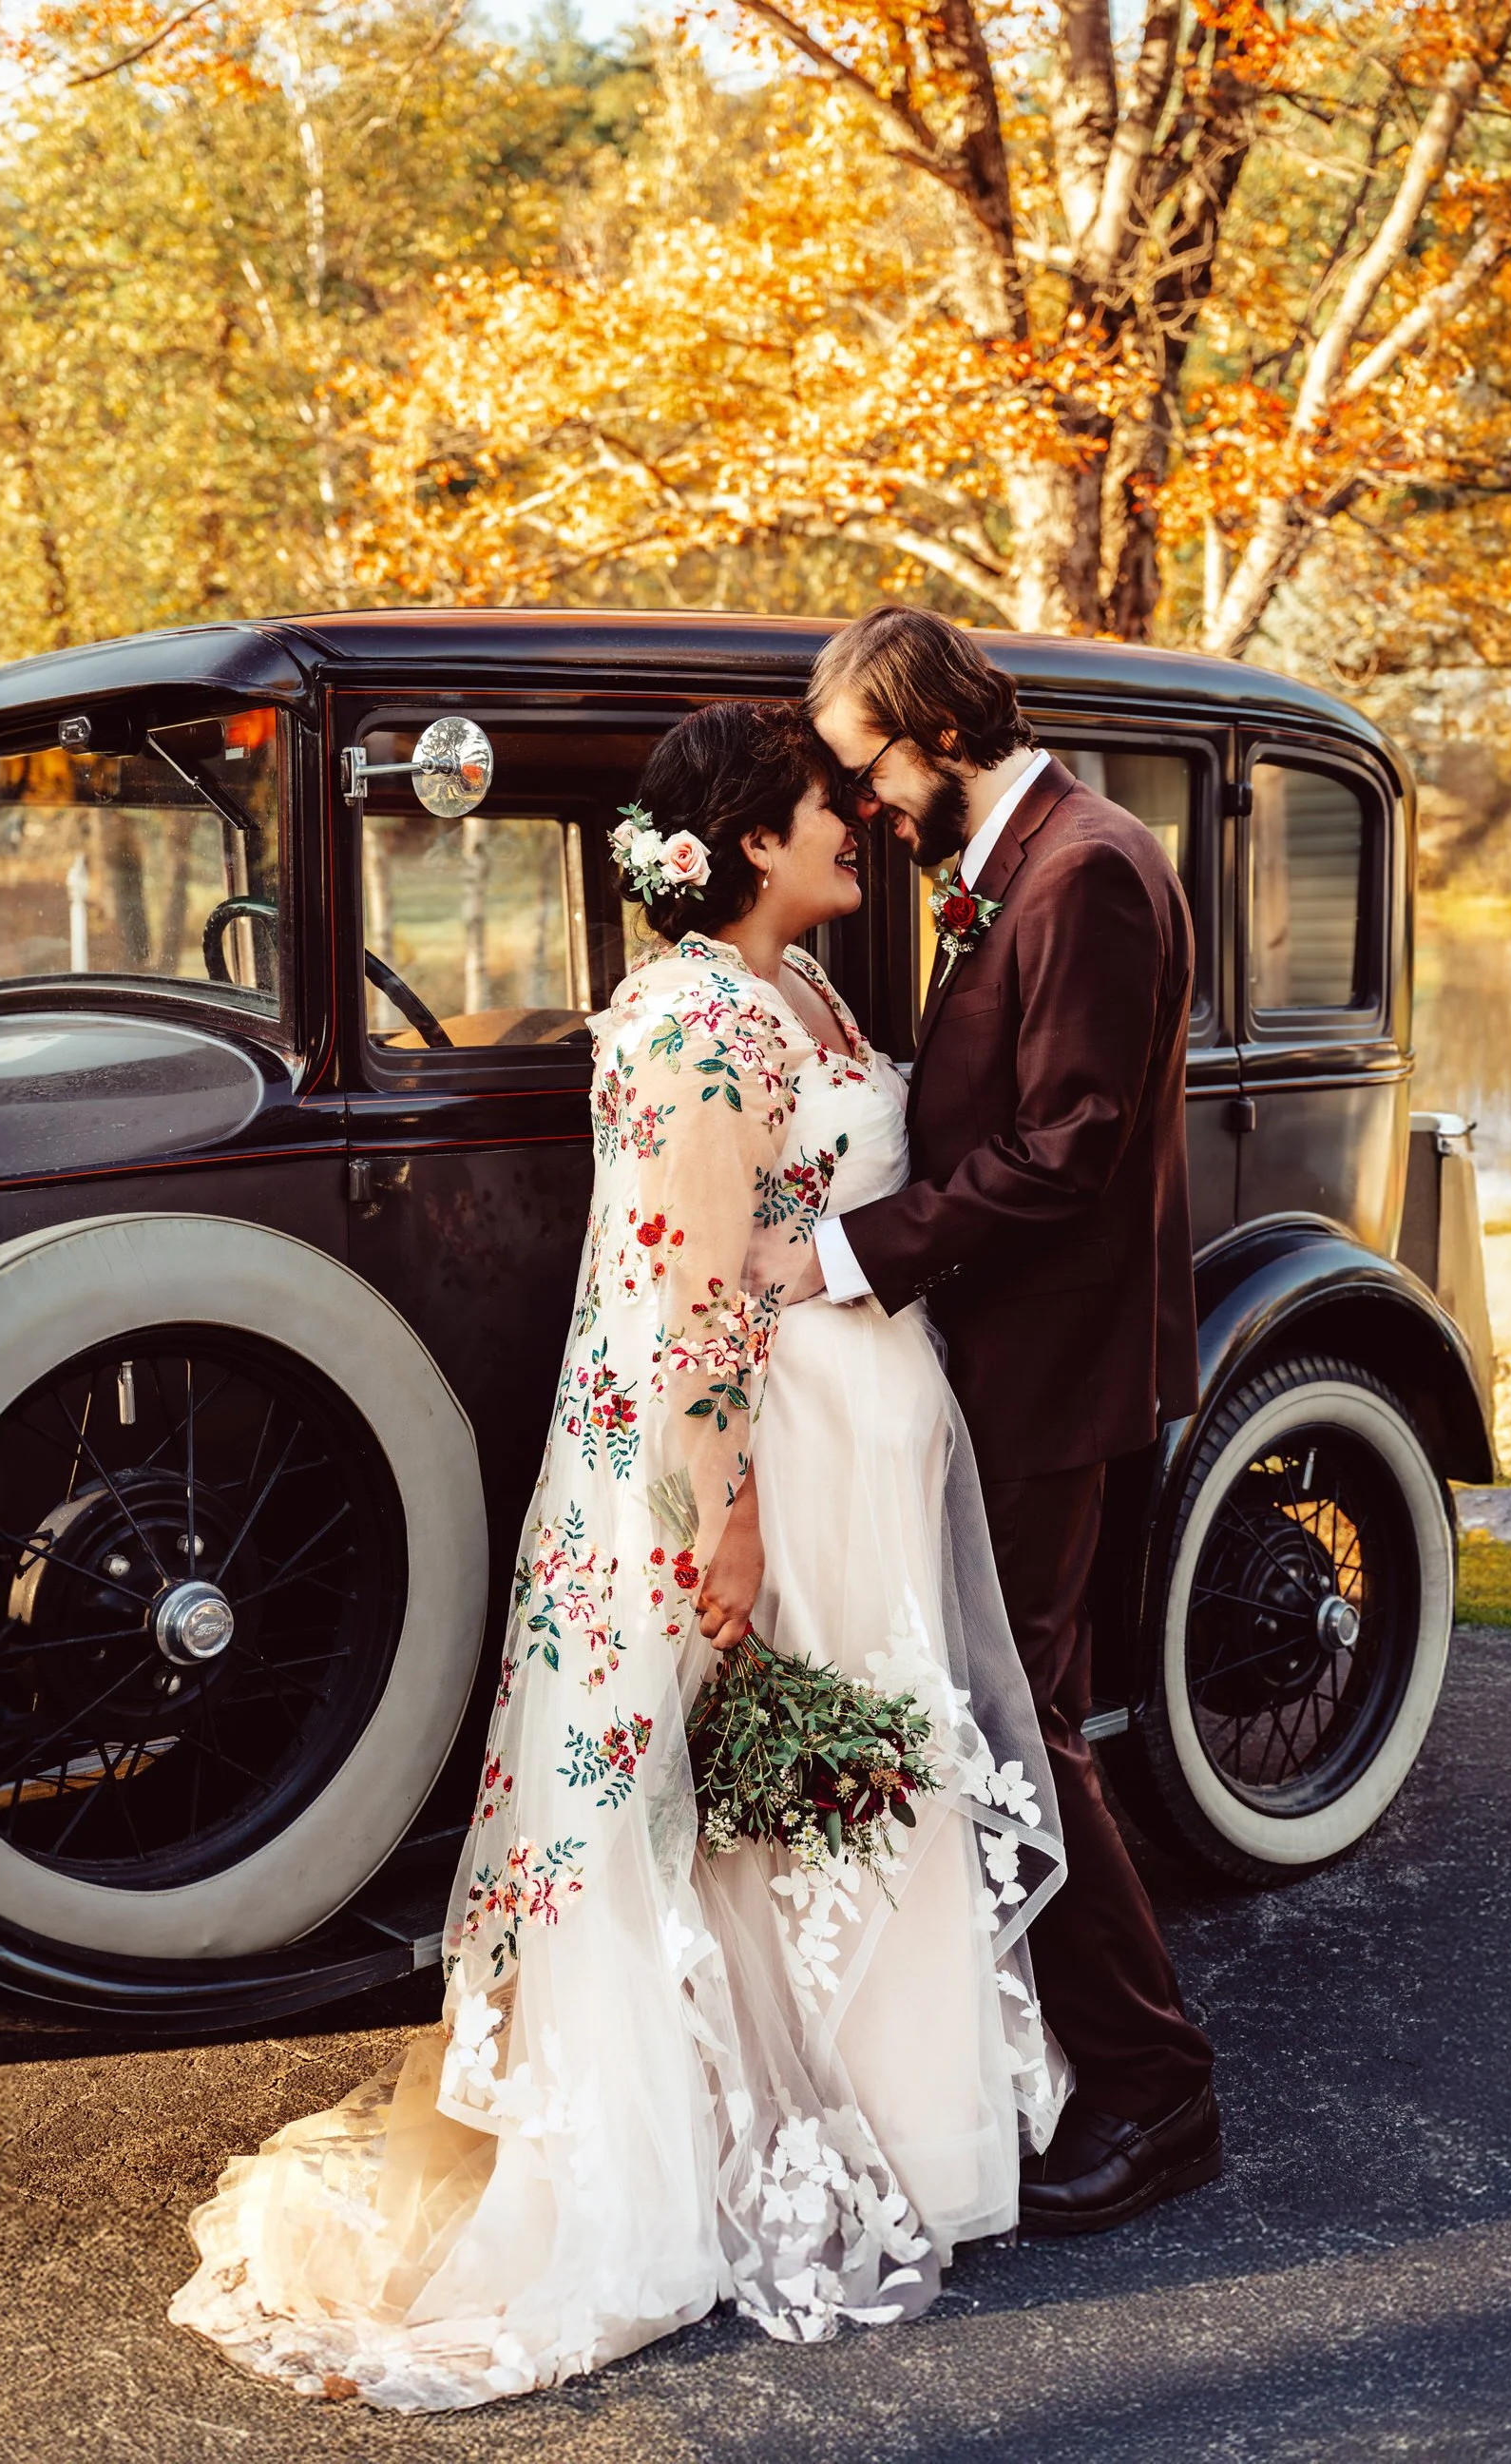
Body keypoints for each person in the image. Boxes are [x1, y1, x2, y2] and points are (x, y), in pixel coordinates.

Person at [169, 699, 1068, 2411]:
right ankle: (661, 2156)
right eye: (827, 805)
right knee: (712, 1781)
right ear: (750, 842)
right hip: (728, 1460)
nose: (857, 826)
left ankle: (900, 2115)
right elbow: (683, 1290)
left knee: (840, 1766)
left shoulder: (801, 989)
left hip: (850, 1450)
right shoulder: (687, 1022)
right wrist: (717, 1516)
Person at [802, 606, 1219, 2233]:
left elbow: (1070, 1147)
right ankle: (1064, 2050)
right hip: (1005, 1363)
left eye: (868, 770)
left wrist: (847, 1252)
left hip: (1052, 1374)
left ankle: (1157, 2087)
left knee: (1028, 1726)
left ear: (936, 731)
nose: (867, 809)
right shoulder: (1014, 856)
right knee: (1008, 1717)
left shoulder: (1090, 868)